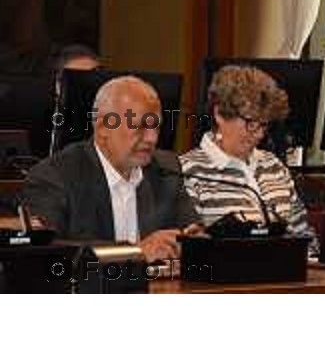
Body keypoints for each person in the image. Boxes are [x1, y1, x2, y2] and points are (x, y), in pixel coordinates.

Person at [22, 75, 200, 261]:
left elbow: (192, 233)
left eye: (156, 127)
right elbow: (47, 252)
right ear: (102, 128)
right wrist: (136, 252)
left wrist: (189, 243)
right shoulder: (55, 176)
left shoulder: (166, 169)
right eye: (140, 127)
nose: (152, 139)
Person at [179, 65, 317, 250]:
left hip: (286, 275)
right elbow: (189, 246)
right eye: (251, 123)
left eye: (264, 125)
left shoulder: (274, 165)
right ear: (220, 114)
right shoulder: (188, 170)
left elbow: (305, 239)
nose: (259, 134)